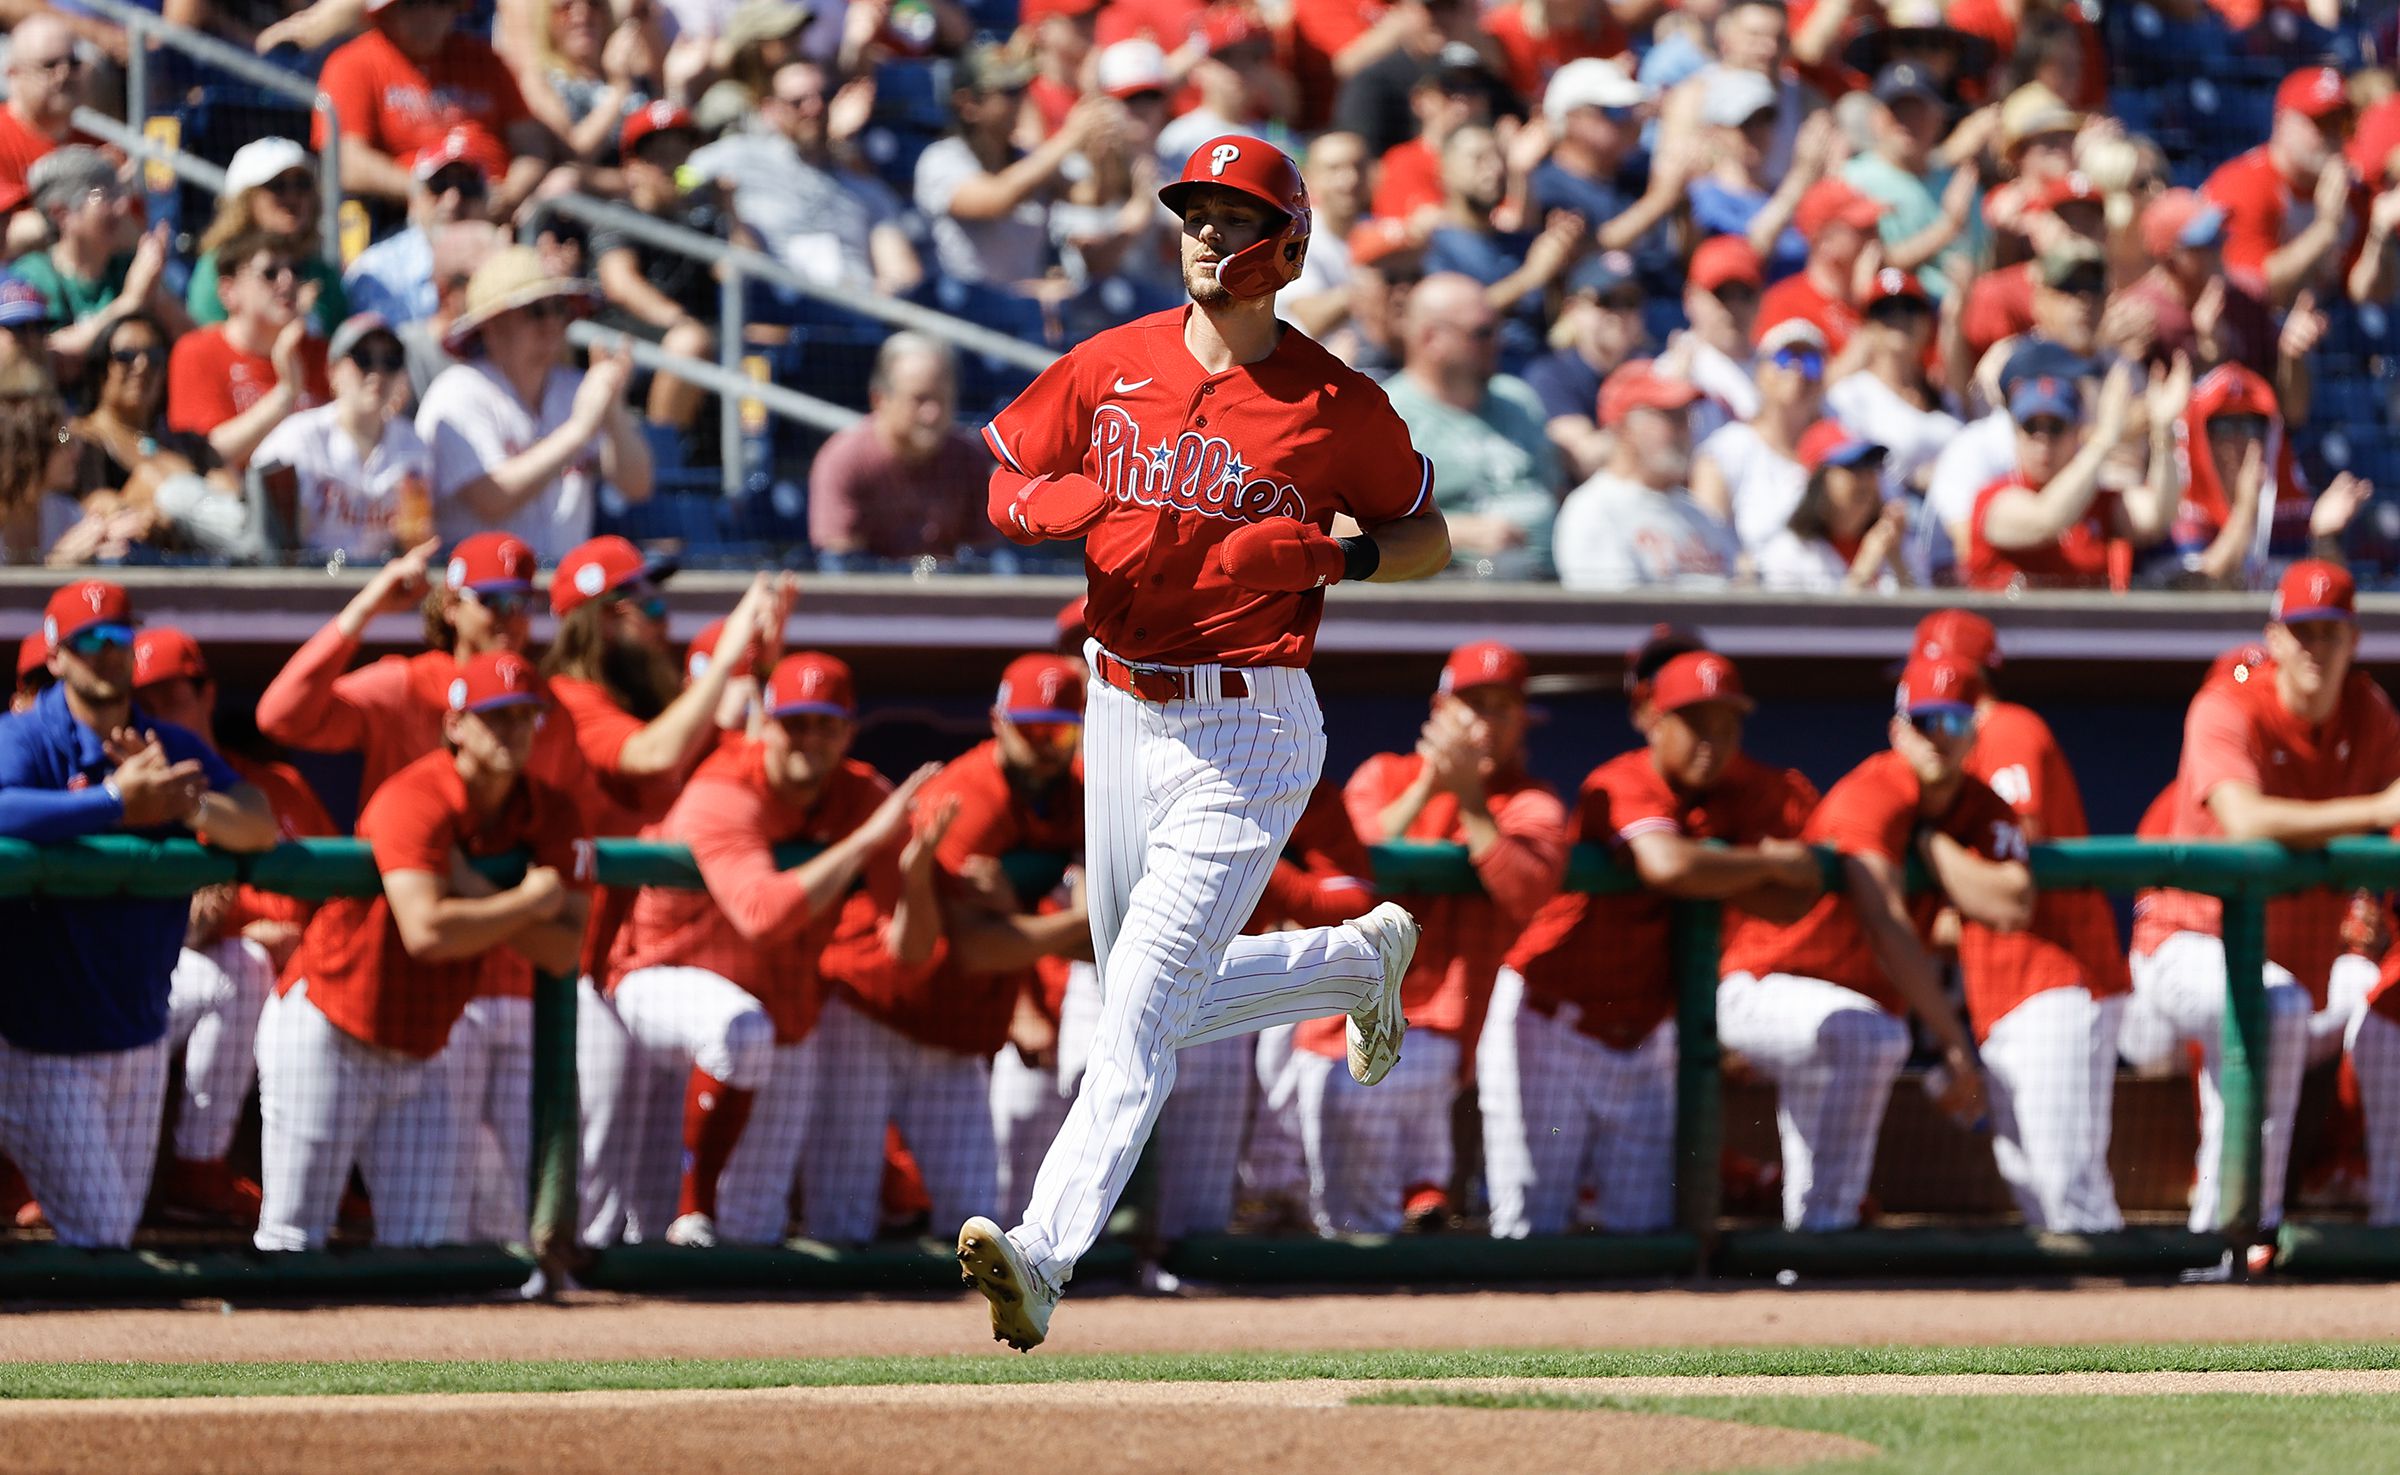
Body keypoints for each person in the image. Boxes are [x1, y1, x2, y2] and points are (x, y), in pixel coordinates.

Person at [960, 135, 1449, 1350]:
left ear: (1288, 246)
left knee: (1129, 1015)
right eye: (1196, 214)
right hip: (1117, 705)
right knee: (1149, 996)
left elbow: (1429, 530)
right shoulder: (1111, 362)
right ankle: (1351, 964)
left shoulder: (1338, 404)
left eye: (1237, 219)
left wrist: (1341, 556)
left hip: (1249, 723)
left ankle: (1044, 1251)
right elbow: (1004, 475)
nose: (1208, 236)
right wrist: (1042, 506)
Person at [253, 650, 593, 1251]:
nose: (513, 730)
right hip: (330, 1025)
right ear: (456, 724)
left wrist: (477, 891)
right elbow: (427, 932)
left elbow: (564, 952)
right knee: (291, 1239)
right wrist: (528, 901)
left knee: (428, 1251)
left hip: (424, 1045)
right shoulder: (417, 794)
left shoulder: (550, 809)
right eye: (495, 716)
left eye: (524, 716)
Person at [1489, 650, 1819, 1236]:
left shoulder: (1738, 796)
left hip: (1642, 1038)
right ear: (1655, 723)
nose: (1712, 741)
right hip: (1549, 1022)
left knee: (1645, 1234)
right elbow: (1667, 865)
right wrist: (1763, 861)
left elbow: (1792, 900)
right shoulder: (1622, 779)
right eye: (1694, 723)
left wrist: (1738, 866)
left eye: (1727, 724)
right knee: (1530, 1228)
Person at [2124, 560, 2400, 1245]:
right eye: (2300, 631)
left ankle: (2388, 1214)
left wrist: (2371, 900)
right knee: (2268, 1006)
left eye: (2329, 631)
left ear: (2352, 639)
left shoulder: (2369, 713)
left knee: (2376, 995)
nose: (2314, 646)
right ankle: (2232, 1232)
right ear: (2274, 637)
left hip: (2294, 974)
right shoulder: (2225, 703)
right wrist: (2373, 808)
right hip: (2182, 957)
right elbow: (2244, 820)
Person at [0, 580, 276, 1248]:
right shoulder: (28, 736)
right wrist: (116, 801)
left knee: (109, 1232)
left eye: (118, 640)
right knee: (100, 1233)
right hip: (42, 1043)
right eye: (88, 642)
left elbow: (259, 825)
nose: (106, 653)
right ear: (58, 655)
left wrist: (186, 806)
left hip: (140, 1029)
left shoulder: (166, 743)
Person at [1715, 654, 2033, 1231]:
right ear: (1897, 730)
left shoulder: (1981, 805)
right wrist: (1951, 1040)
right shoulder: (1875, 788)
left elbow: (2013, 904)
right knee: (1873, 1038)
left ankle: (1811, 1250)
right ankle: (1826, 1231)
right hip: (1767, 986)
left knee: (1862, 1040)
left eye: (1955, 723)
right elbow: (1886, 922)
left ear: (1974, 733)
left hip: (1843, 1008)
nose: (1939, 738)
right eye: (1924, 722)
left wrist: (1935, 848)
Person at [808, 655, 1094, 1247]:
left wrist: (1029, 911)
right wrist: (1075, 921)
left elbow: (1104, 936)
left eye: (1059, 731)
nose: (1046, 745)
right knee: (843, 1220)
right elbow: (978, 950)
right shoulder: (968, 794)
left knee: (978, 1223)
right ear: (998, 721)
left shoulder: (1082, 794)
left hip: (959, 1029)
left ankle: (956, 1339)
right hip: (874, 1008)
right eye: (1032, 729)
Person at [1301, 642, 1566, 1234]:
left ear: (1525, 719)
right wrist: (1429, 786)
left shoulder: (1530, 799)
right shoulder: (1383, 774)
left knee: (1377, 1206)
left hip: (1445, 1015)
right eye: (1473, 705)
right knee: (1334, 1209)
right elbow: (1351, 863)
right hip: (1342, 1008)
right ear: (1439, 710)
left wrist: (1470, 798)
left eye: (1502, 707)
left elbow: (1528, 890)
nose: (1484, 721)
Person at [1906, 610, 2128, 1232]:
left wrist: (1934, 849)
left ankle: (2131, 1323)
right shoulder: (1952, 750)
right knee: (2031, 1180)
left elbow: (2016, 850)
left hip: (2058, 978)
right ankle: (2091, 1324)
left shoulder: (2003, 728)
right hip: (2006, 988)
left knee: (2067, 1185)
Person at [129, 626, 339, 1226]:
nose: (158, 714)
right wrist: (238, 934)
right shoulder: (131, 798)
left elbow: (344, 900)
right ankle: (199, 1172)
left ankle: (337, 1180)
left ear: (207, 695)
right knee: (239, 967)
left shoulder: (276, 787)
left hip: (301, 989)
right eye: (145, 702)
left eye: (172, 697)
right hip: (181, 984)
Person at [417, 246, 653, 561]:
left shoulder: (571, 387)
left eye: (559, 308)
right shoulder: (457, 392)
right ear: (492, 326)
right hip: (483, 596)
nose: (551, 323)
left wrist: (612, 408)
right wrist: (579, 430)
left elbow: (636, 485)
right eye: (535, 311)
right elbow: (492, 498)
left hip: (561, 590)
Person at [687, 59, 923, 296]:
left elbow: (900, 268)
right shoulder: (737, 155)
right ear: (770, 109)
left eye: (824, 96)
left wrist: (888, 289)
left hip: (855, 314)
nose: (814, 108)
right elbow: (680, 179)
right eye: (797, 102)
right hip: (772, 316)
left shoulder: (863, 185)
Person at [1381, 272, 1560, 575]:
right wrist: (1461, 532)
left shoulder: (1518, 399)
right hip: (1458, 585)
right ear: (1430, 338)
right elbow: (1343, 524)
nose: (1498, 342)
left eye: (1499, 328)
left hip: (1554, 578)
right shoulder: (1387, 414)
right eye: (1482, 332)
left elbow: (1555, 489)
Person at [315, 0, 560, 216]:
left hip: (497, 209)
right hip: (406, 216)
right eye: (413, 4)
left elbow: (533, 148)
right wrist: (427, 190)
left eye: (440, 2)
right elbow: (346, 163)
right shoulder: (352, 63)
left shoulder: (485, 60)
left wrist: (509, 194)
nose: (428, 14)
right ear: (387, 12)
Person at [591, 102, 750, 433]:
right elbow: (619, 282)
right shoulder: (618, 214)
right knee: (690, 342)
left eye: (679, 153)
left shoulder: (702, 220)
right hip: (627, 333)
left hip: (688, 332)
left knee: (766, 338)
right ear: (633, 167)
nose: (670, 165)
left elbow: (740, 272)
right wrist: (677, 320)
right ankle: (661, 461)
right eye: (658, 155)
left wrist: (730, 210)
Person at [1962, 360, 2186, 592]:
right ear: (2016, 433)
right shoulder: (1993, 497)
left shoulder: (2097, 500)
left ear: (2076, 432)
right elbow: (2045, 520)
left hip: (2086, 627)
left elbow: (2158, 516)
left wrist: (2163, 436)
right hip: (2008, 627)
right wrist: (2103, 441)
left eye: (2055, 427)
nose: (2043, 441)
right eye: (2031, 426)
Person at [250, 313, 434, 562]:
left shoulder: (413, 447)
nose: (377, 373)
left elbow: (417, 540)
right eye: (364, 359)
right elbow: (274, 536)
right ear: (333, 371)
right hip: (313, 581)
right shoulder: (299, 438)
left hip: (380, 579)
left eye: (390, 361)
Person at [807, 333, 995, 565]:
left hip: (951, 597)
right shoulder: (845, 459)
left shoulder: (969, 458)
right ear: (879, 400)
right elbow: (840, 564)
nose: (932, 414)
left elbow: (984, 559)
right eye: (919, 399)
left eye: (942, 399)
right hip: (872, 598)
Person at [1553, 359, 1737, 590]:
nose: (1684, 429)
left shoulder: (1698, 513)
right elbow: (1616, 617)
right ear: (1624, 428)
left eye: (1685, 416)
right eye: (1670, 416)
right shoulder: (1594, 509)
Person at [163, 230, 334, 475]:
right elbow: (206, 456)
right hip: (235, 503)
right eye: (270, 273)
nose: (288, 281)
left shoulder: (323, 353)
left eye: (295, 270)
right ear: (228, 292)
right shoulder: (198, 352)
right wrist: (286, 393)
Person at [2201, 67, 2370, 308]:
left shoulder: (2351, 189)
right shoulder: (2243, 185)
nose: (2332, 135)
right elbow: (2253, 296)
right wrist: (2327, 229)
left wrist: (2381, 235)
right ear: (2282, 122)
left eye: (2341, 123)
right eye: (2320, 122)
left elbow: (2367, 292)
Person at [915, 44, 1076, 292]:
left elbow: (1090, 195)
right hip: (960, 313)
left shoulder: (1028, 159)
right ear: (968, 104)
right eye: (1008, 91)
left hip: (1026, 315)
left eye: (1022, 90)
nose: (1020, 100)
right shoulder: (940, 159)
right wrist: (1071, 136)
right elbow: (995, 199)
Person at [12, 148, 188, 365]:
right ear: (61, 213)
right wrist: (130, 301)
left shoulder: (129, 267)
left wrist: (156, 290)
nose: (122, 207)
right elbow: (47, 359)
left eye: (120, 193)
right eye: (104, 196)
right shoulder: (33, 276)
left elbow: (190, 342)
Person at [183, 140, 348, 340]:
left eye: (302, 184)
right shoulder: (219, 266)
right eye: (277, 186)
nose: (293, 196)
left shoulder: (321, 271)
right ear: (244, 201)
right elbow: (208, 345)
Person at [1691, 319, 1823, 560]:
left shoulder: (1835, 451)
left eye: (1811, 362)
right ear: (1760, 372)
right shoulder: (1728, 448)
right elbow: (1707, 538)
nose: (1799, 372)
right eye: (1785, 359)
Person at [345, 131, 505, 330]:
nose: (453, 200)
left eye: (468, 187)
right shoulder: (376, 269)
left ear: (486, 202)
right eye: (439, 185)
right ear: (414, 199)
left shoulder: (507, 261)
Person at [1523, 249, 1650, 482]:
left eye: (1629, 302)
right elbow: (1585, 459)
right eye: (1607, 301)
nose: (1619, 314)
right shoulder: (1551, 375)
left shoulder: (1650, 368)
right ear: (1573, 310)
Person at [1755, 421, 1905, 592]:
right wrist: (1864, 567)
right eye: (1852, 467)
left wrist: (1897, 560)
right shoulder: (1787, 553)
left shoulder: (1894, 541)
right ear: (1818, 481)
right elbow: (1814, 618)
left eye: (1871, 466)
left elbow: (1923, 614)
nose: (1865, 479)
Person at [0, 16, 90, 218]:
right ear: (13, 74)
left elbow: (134, 231)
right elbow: (6, 237)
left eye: (73, 63)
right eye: (50, 65)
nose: (64, 73)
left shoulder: (96, 146)